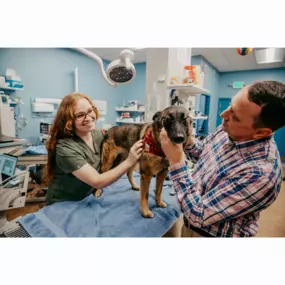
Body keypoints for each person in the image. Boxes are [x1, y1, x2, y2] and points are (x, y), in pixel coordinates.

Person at [160, 80, 285, 237]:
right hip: (189, 226)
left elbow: (198, 214)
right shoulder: (228, 128)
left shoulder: (261, 175)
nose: (223, 115)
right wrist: (188, 140)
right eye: (230, 106)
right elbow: (202, 154)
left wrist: (176, 161)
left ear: (260, 133)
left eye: (235, 116)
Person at [44, 92, 143, 205]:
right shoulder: (65, 148)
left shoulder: (100, 136)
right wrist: (130, 161)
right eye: (80, 115)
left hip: (88, 199)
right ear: (69, 121)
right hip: (63, 204)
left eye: (90, 111)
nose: (89, 118)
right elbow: (97, 181)